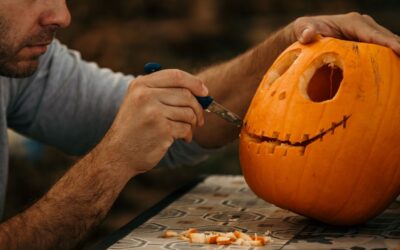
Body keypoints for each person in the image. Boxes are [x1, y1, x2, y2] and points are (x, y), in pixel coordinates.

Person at [0, 0, 399, 248]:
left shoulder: (23, 63)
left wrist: (289, 43)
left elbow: (182, 121)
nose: (62, 15)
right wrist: (112, 161)